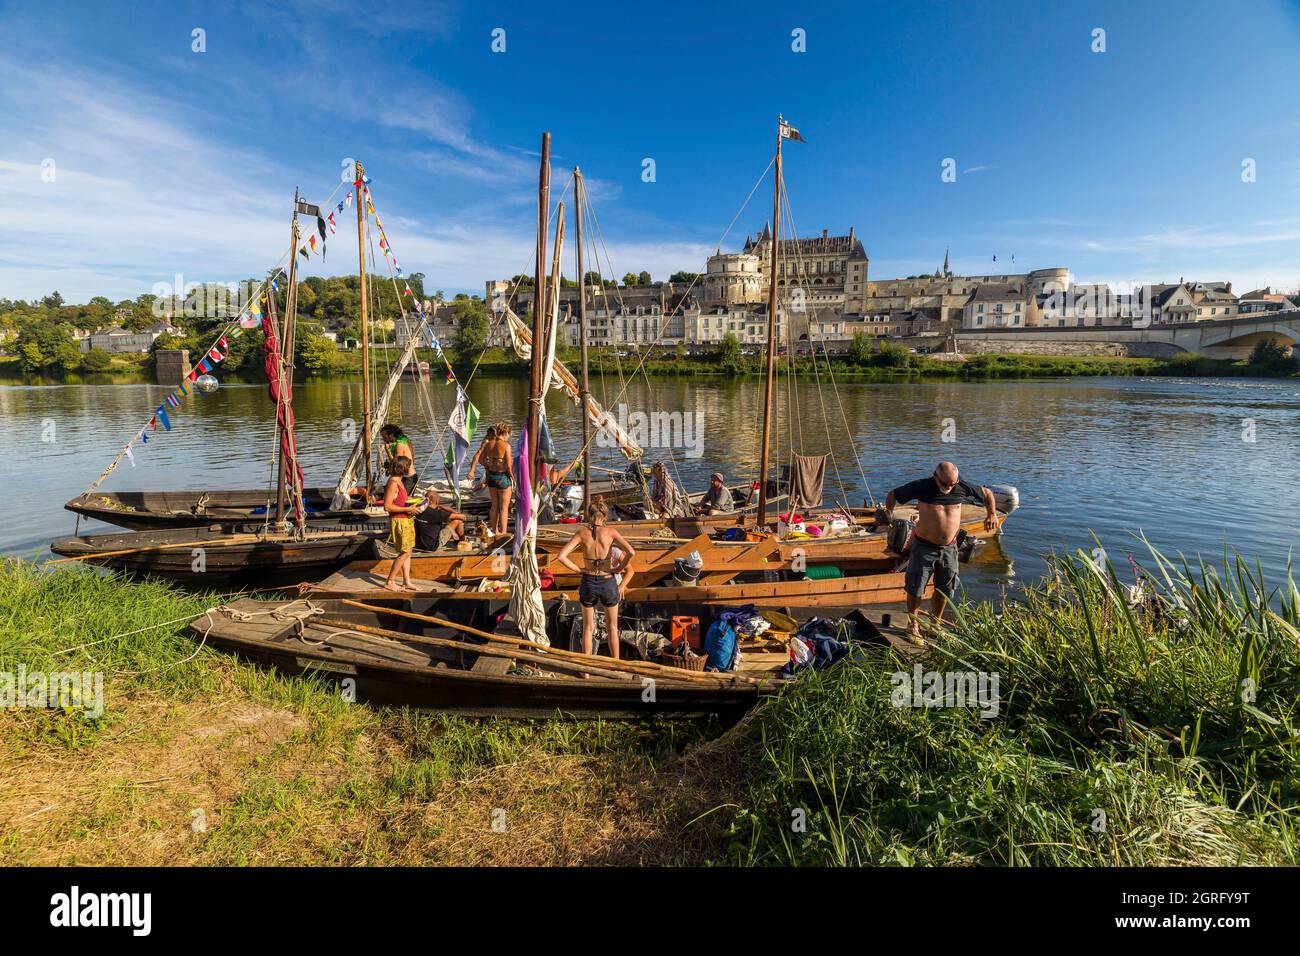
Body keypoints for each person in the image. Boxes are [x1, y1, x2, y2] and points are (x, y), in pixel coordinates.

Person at [883, 461, 999, 638]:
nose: (948, 488)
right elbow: (893, 494)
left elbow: (987, 493)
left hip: (950, 548)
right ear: (935, 476)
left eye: (952, 484)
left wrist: (992, 514)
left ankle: (934, 624)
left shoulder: (961, 487)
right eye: (944, 484)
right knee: (916, 587)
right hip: (924, 546)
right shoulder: (922, 487)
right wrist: (888, 514)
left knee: (944, 588)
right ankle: (913, 625)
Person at [555, 497, 636, 673]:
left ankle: (586, 671)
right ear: (605, 516)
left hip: (589, 581)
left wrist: (578, 570)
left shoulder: (581, 533)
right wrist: (619, 568)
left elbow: (561, 556)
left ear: (589, 515)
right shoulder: (611, 532)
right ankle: (616, 668)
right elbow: (631, 551)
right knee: (612, 627)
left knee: (588, 627)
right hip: (608, 581)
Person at [383, 455, 425, 591]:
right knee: (404, 551)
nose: (411, 468)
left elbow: (401, 499)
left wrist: (415, 501)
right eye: (409, 466)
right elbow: (387, 506)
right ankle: (390, 581)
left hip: (406, 520)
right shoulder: (393, 482)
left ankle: (406, 581)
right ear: (403, 468)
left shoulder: (400, 481)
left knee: (409, 551)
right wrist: (408, 508)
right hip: (399, 521)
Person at [470, 423, 514, 535]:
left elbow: (480, 459)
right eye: (509, 435)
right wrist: (514, 478)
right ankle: (503, 532)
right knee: (504, 507)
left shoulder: (489, 444)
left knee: (494, 505)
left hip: (491, 476)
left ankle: (495, 531)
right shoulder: (506, 446)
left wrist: (488, 466)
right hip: (502, 476)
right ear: (506, 433)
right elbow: (508, 466)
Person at [379, 424, 417, 493]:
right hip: (404, 476)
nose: (383, 439)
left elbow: (396, 465)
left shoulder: (400, 445)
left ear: (391, 435)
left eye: (384, 437)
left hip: (408, 478)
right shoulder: (401, 441)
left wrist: (388, 452)